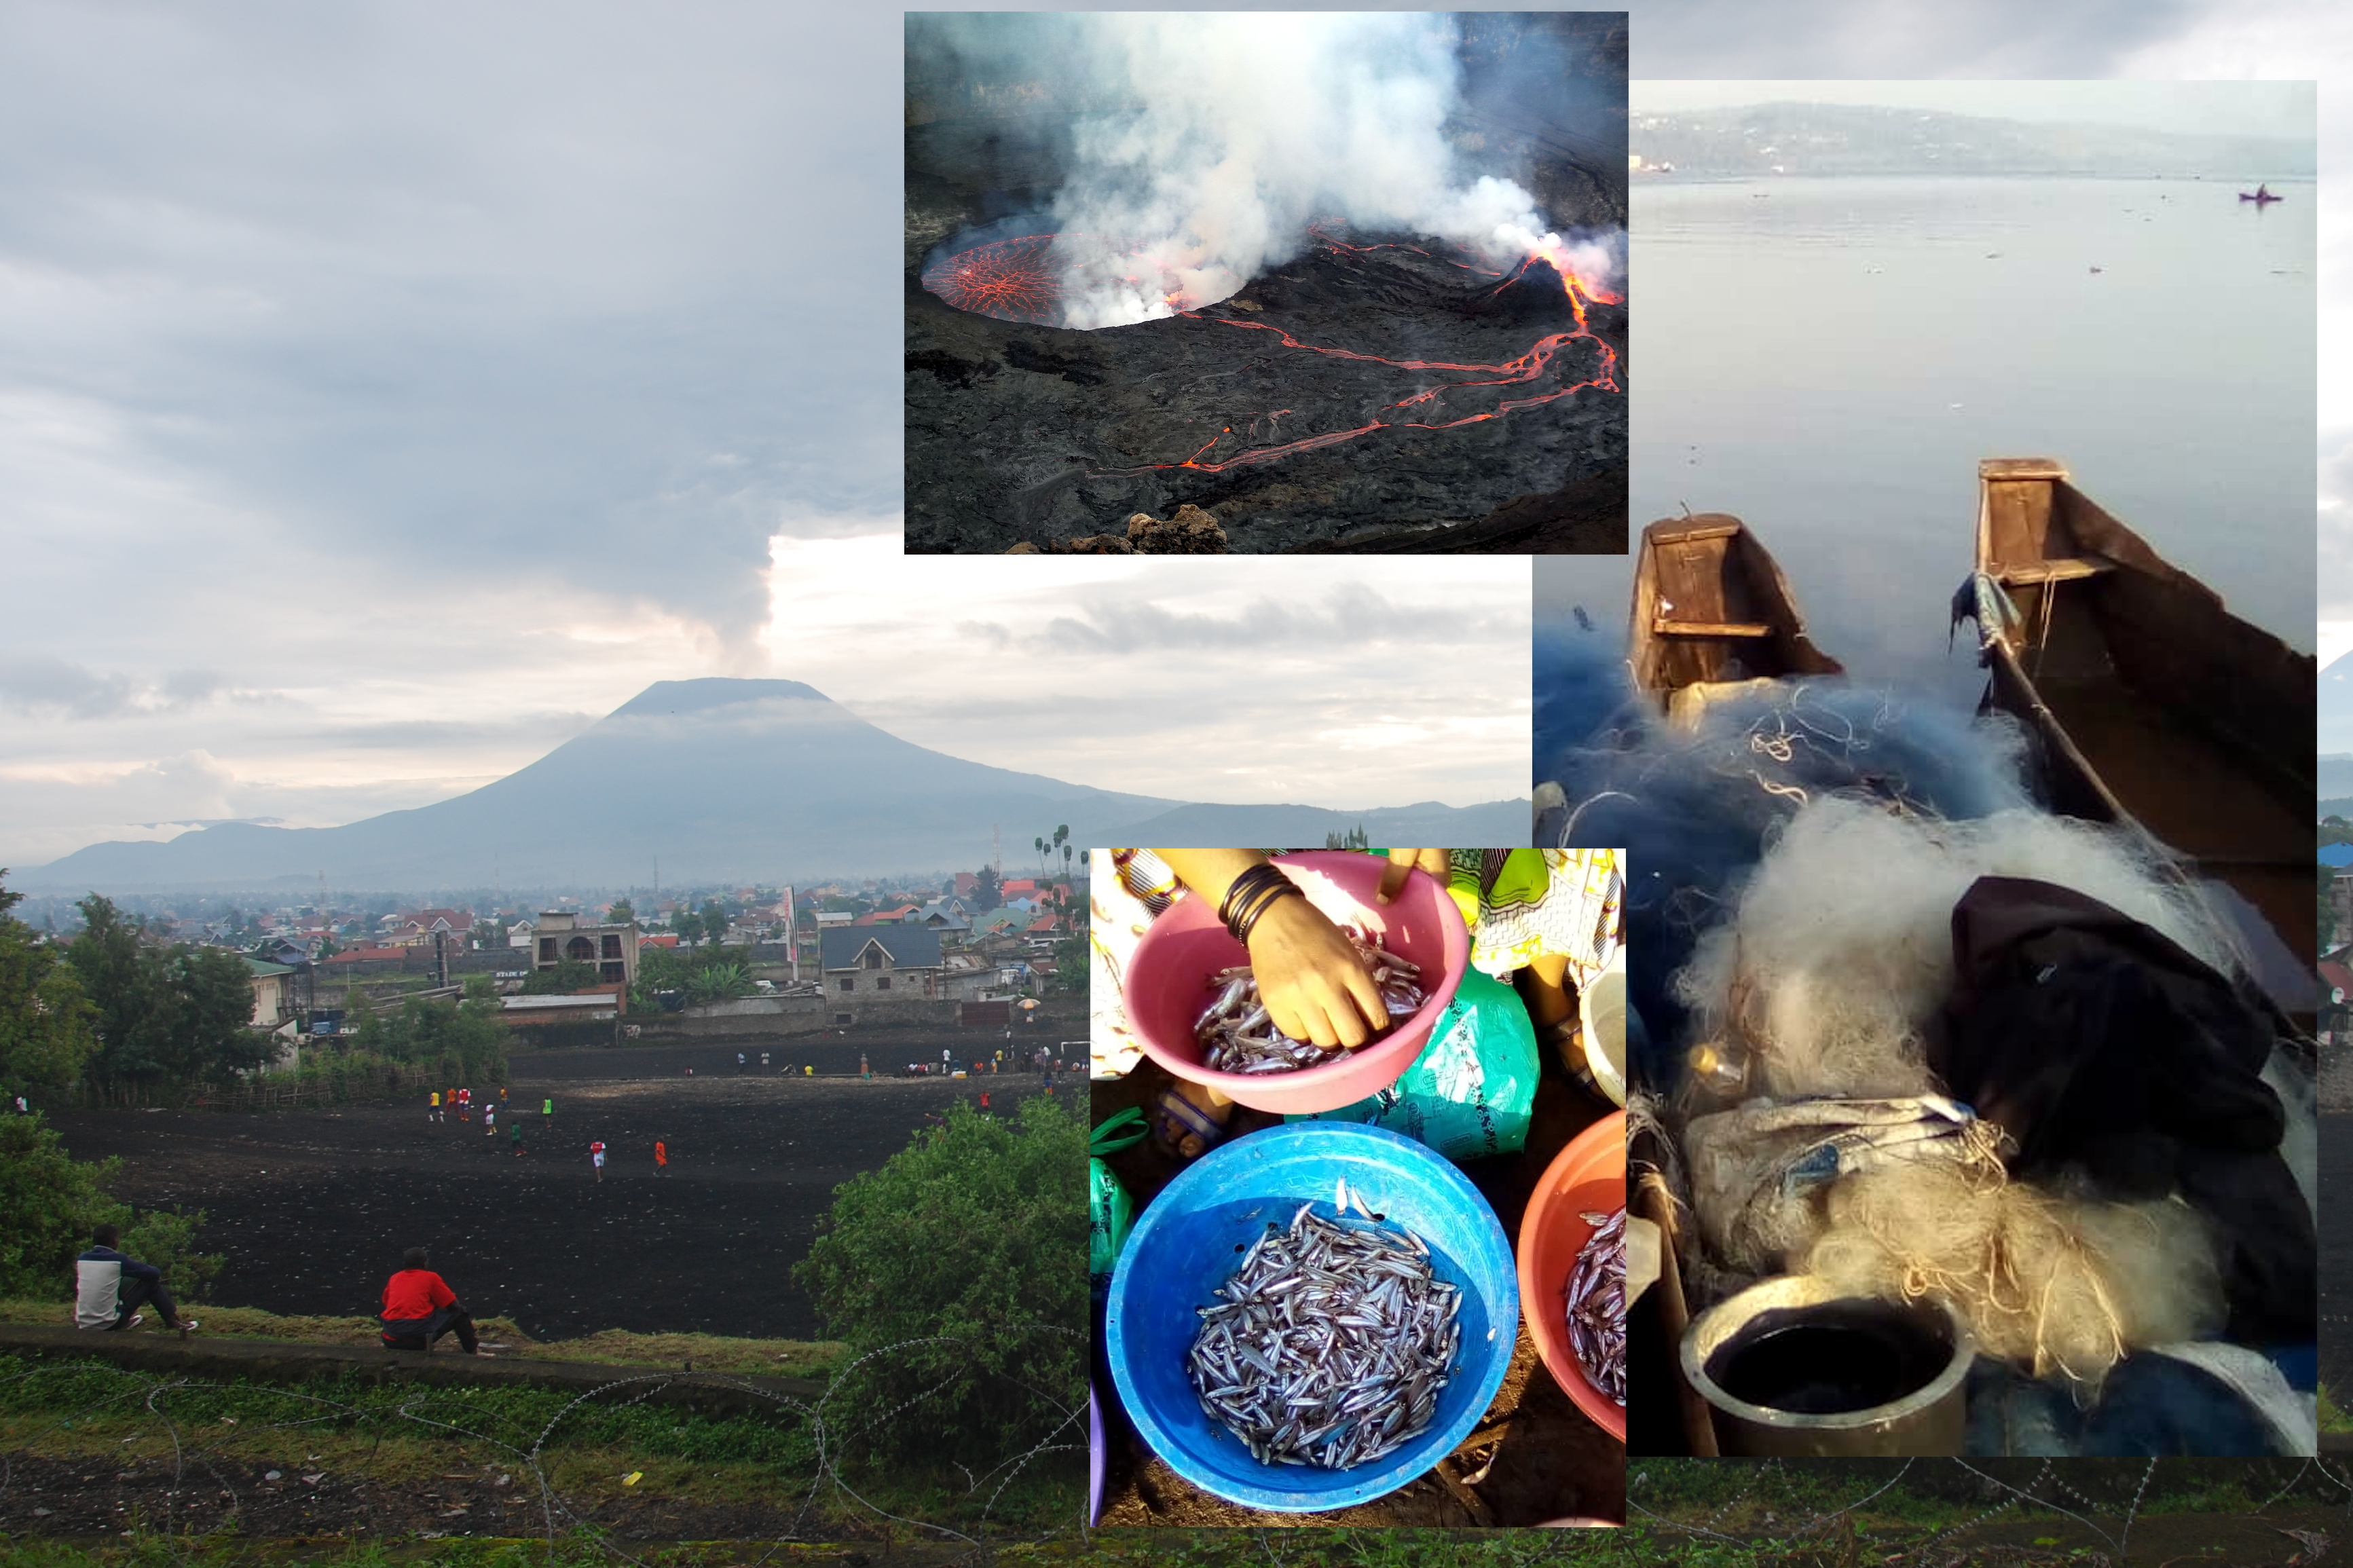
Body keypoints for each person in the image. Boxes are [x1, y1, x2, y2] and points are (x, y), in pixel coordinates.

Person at [75, 1225, 197, 1333]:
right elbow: (154, 1273)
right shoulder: (118, 1260)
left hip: (83, 1323)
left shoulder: (82, 1258)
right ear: (114, 1240)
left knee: (110, 1283)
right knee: (151, 1282)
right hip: (109, 1324)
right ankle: (173, 1321)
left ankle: (121, 1317)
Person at [378, 1246, 486, 1354]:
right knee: (460, 1314)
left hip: (390, 1339)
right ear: (424, 1263)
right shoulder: (430, 1278)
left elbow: (386, 1302)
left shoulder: (394, 1278)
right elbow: (454, 1306)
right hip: (418, 1341)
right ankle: (473, 1351)